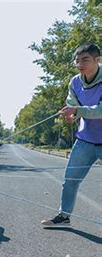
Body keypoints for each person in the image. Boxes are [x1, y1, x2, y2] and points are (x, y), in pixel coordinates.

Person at [41, 43, 102, 228]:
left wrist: (77, 110)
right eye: (77, 61)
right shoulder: (75, 81)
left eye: (85, 60)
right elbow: (72, 102)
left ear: (97, 60)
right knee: (70, 180)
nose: (79, 64)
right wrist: (71, 115)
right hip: (85, 140)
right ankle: (64, 216)